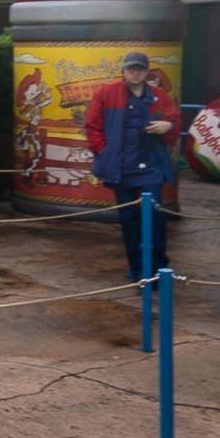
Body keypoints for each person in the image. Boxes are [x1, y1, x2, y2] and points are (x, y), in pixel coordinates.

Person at [85, 51, 180, 283]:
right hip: (121, 168)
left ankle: (159, 269)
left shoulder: (159, 96)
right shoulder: (106, 94)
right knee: (129, 219)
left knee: (156, 219)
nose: (135, 72)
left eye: (140, 68)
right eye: (131, 68)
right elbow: (92, 126)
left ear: (147, 72)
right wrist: (105, 153)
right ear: (123, 71)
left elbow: (175, 120)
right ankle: (136, 267)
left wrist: (167, 126)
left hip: (151, 167)